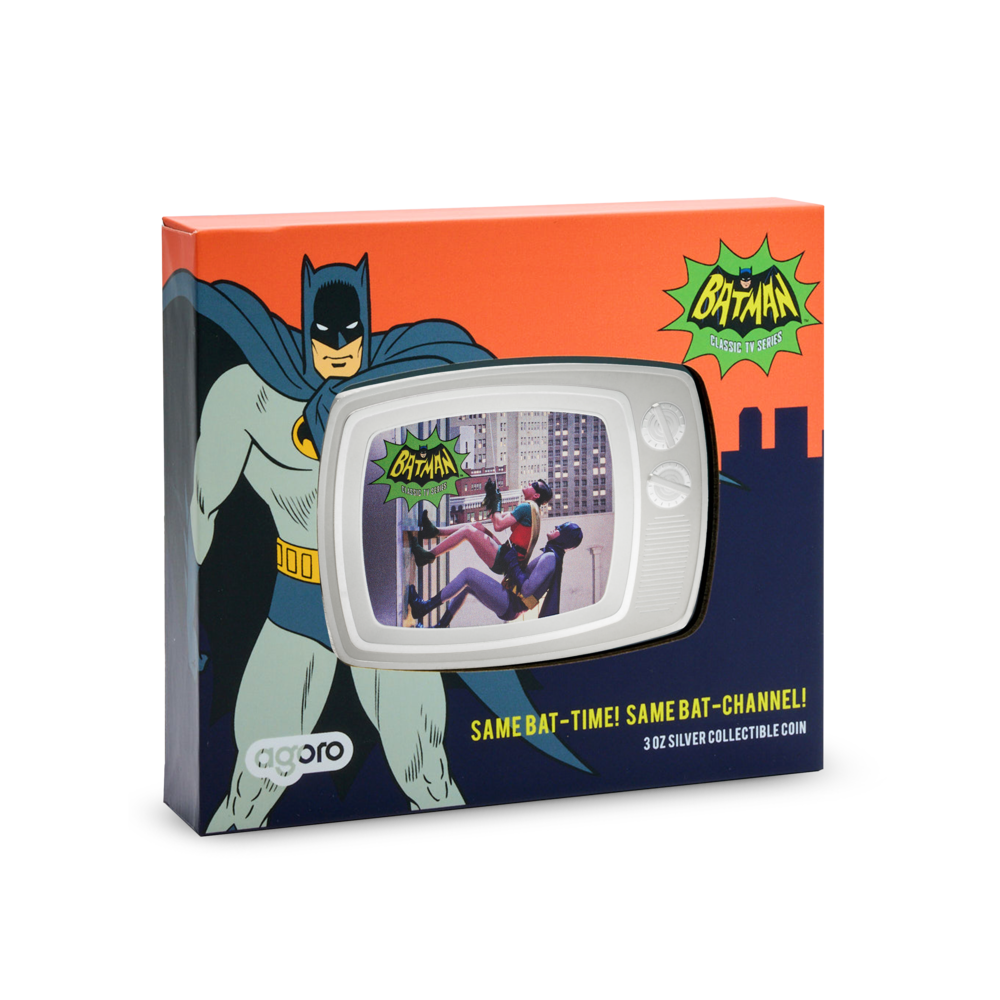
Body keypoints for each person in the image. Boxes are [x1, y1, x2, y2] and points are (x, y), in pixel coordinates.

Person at [163, 255, 494, 831]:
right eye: (324, 337)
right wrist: (182, 629)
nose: (338, 350)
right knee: (252, 784)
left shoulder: (406, 383)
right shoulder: (252, 398)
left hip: (384, 606)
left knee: (428, 775)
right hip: (298, 603)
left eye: (350, 336)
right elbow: (199, 508)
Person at [408, 523, 584, 627]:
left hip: (511, 604)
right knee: (468, 586)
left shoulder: (550, 558)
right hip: (511, 602)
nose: (556, 527)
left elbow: (527, 589)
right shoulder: (553, 556)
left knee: (468, 574)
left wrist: (513, 562)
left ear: (564, 537)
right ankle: (440, 625)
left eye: (561, 529)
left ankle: (425, 607)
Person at [410, 481, 553, 578]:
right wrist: (493, 500)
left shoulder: (526, 507)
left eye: (534, 485)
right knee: (477, 526)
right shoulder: (532, 510)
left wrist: (496, 503)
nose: (530, 483)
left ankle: (428, 556)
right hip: (507, 556)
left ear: (536, 495)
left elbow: (498, 526)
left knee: (467, 531)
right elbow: (498, 518)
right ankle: (435, 531)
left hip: (504, 560)